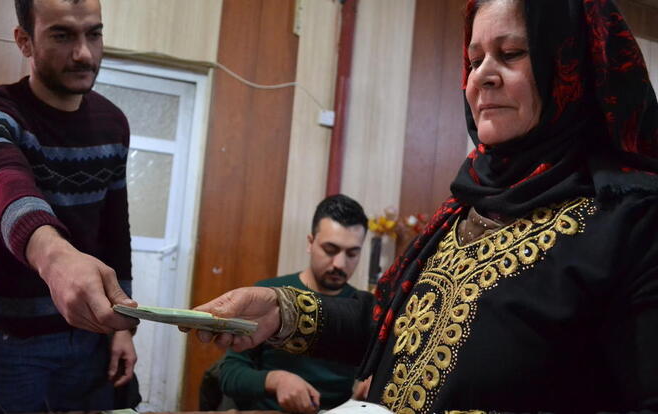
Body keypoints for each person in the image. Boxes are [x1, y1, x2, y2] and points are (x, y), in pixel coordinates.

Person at [189, 0, 658, 412]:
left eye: (511, 54)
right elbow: (390, 322)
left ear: (571, 64)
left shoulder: (632, 220)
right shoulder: (467, 204)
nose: (482, 76)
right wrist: (281, 311)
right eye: (474, 60)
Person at [0, 0, 140, 410]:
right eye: (62, 35)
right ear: (24, 41)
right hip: (11, 342)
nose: (84, 54)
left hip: (92, 336)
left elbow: (115, 230)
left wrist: (122, 327)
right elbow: (4, 184)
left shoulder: (114, 123)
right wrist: (55, 257)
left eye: (94, 33)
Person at [219, 194, 375, 414]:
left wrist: (366, 392)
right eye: (330, 250)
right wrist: (276, 380)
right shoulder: (269, 297)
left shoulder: (363, 313)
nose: (340, 263)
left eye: (352, 253)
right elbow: (229, 373)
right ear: (311, 243)